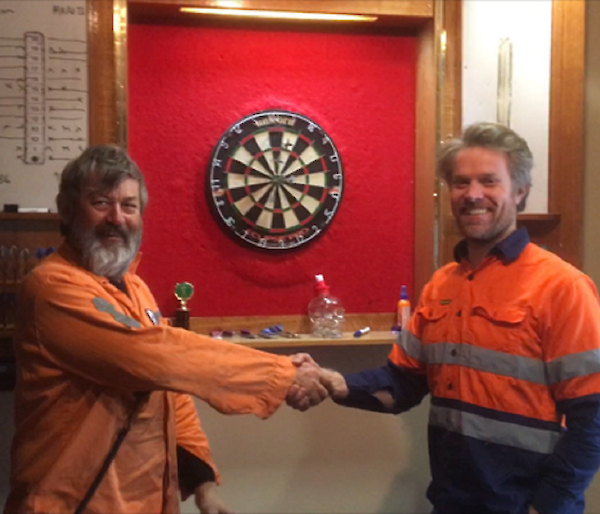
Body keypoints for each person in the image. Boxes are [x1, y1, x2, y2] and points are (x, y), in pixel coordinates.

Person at [291, 122, 600, 514]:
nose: (473, 194)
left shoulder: (562, 287)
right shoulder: (440, 286)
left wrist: (547, 506)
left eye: (489, 181)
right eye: (460, 183)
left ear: (520, 191)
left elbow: (593, 418)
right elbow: (402, 384)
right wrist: (336, 383)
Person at [3, 145, 328, 514]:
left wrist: (203, 485)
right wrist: (282, 375)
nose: (117, 218)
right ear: (67, 210)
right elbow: (150, 358)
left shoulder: (134, 287)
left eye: (128, 206)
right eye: (100, 203)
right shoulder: (52, 287)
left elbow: (171, 388)